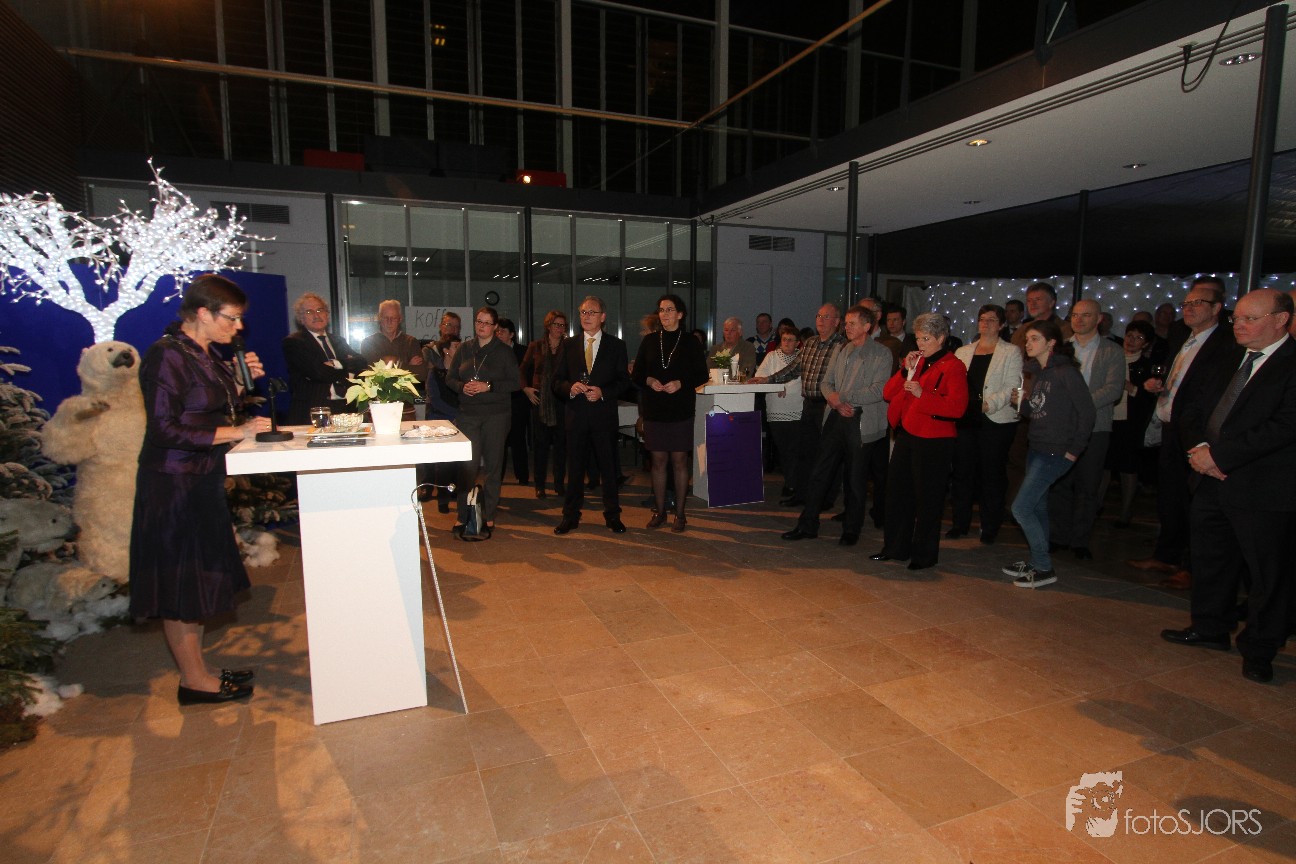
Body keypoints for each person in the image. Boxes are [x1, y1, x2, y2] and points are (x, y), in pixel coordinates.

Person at [129, 273, 273, 705]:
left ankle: (198, 671)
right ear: (203, 313)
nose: (239, 326)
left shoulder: (203, 354)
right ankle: (193, 681)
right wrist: (237, 431)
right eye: (232, 317)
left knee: (193, 584)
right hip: (173, 486)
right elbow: (165, 429)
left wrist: (240, 381)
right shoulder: (166, 355)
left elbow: (208, 408)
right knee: (180, 586)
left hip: (199, 480)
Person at [1162, 289, 1296, 684]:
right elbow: (1191, 408)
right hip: (1210, 477)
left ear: (1281, 319)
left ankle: (1260, 647)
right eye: (1238, 318)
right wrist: (1199, 451)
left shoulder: (1291, 363)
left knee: (1266, 573)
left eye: (1251, 319)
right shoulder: (1226, 357)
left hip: (1263, 485)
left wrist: (1222, 457)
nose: (1239, 325)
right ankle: (1209, 627)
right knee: (1210, 557)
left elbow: (1285, 426)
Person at [1127, 277, 1241, 589]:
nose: (1188, 309)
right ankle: (1167, 554)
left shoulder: (1225, 343)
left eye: (1197, 303)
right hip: (1169, 425)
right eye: (1186, 303)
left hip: (1196, 432)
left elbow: (1211, 391)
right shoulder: (1182, 335)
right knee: (1170, 497)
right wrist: (1156, 383)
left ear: (1216, 308)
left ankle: (1191, 566)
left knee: (1195, 502)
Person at [781, 305, 891, 546]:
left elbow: (879, 390)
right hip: (836, 415)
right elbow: (826, 382)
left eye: (852, 323)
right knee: (819, 472)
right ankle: (807, 524)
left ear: (867, 326)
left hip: (861, 420)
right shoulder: (842, 349)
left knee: (855, 478)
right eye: (846, 323)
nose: (846, 327)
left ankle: (851, 529)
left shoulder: (881, 353)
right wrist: (834, 399)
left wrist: (844, 398)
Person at [1001, 320, 1094, 588]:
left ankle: (1043, 566)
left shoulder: (1066, 372)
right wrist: (1020, 403)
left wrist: (1074, 451)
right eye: (1027, 339)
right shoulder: (1040, 373)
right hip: (1038, 447)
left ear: (1051, 342)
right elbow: (1036, 411)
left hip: (1055, 451)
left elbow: (1087, 412)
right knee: (1037, 506)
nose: (1028, 344)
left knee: (1021, 508)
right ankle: (1037, 560)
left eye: (1035, 339)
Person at [871, 313, 968, 570]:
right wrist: (905, 369)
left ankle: (924, 555)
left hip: (934, 439)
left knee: (928, 499)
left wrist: (922, 394)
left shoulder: (953, 366)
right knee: (897, 493)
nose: (921, 344)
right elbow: (888, 393)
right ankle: (895, 548)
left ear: (941, 338)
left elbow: (957, 408)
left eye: (927, 339)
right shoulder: (917, 362)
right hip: (907, 434)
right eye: (919, 339)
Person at [1047, 299, 1124, 560]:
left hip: (1096, 427)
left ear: (1099, 319)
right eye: (1075, 315)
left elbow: (1113, 389)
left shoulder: (1111, 350)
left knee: (1088, 486)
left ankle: (1080, 540)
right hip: (1063, 427)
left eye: (1086, 315)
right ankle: (1058, 536)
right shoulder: (1061, 348)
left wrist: (1078, 402)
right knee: (1059, 483)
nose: (1079, 320)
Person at [754, 304, 845, 507]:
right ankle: (802, 494)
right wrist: (768, 380)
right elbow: (793, 369)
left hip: (829, 405)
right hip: (809, 405)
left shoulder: (842, 346)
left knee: (828, 453)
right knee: (805, 453)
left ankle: (826, 498)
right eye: (818, 316)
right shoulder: (811, 343)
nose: (820, 320)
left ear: (837, 322)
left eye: (826, 317)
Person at [553, 296, 631, 535]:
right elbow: (556, 381)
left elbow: (624, 382)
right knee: (575, 470)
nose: (586, 317)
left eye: (592, 312)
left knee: (608, 470)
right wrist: (570, 388)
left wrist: (603, 392)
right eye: (583, 312)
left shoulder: (616, 345)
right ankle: (570, 516)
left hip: (603, 418)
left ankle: (613, 516)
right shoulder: (568, 345)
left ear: (603, 317)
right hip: (576, 417)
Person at [632, 293, 709, 532]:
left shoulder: (690, 341)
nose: (664, 314)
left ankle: (681, 514)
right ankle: (660, 511)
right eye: (661, 310)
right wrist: (649, 379)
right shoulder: (650, 341)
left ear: (680, 314)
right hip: (655, 408)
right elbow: (637, 374)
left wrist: (681, 383)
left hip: (680, 408)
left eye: (669, 309)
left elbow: (702, 374)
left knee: (679, 461)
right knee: (657, 461)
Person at [445, 306, 521, 538]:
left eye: (487, 323)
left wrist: (489, 386)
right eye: (479, 321)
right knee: (466, 467)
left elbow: (516, 383)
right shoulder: (465, 348)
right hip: (468, 414)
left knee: (493, 467)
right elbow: (450, 378)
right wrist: (462, 387)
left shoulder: (504, 351)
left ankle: (488, 514)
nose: (482, 326)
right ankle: (462, 515)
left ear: (495, 327)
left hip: (496, 415)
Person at [950, 304, 1023, 544]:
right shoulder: (963, 351)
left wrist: (986, 405)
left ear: (1001, 325)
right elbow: (955, 382)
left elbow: (1012, 386)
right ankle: (960, 523)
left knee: (991, 475)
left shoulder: (1010, 351)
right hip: (966, 419)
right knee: (962, 472)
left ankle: (990, 526)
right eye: (982, 319)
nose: (985, 323)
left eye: (991, 319)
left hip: (995, 420)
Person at [1101, 319, 1157, 527]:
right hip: (1108, 416)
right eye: (1130, 335)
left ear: (1146, 344)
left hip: (1131, 422)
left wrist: (1130, 387)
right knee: (1104, 464)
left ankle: (1126, 511)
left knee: (1128, 467)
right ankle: (1097, 504)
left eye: (1138, 338)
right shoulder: (1111, 357)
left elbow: (1149, 399)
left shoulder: (1147, 366)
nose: (1132, 340)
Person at [282, 292, 367, 424]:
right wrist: (348, 369)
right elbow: (318, 372)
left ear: (327, 314)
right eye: (309, 312)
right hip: (313, 412)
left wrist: (336, 364)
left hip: (345, 410)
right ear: (301, 319)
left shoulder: (338, 340)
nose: (316, 315)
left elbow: (361, 363)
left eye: (320, 310)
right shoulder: (294, 342)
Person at [520, 310, 569, 499]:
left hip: (562, 401)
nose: (560, 328)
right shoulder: (536, 346)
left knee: (561, 446)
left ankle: (559, 484)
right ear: (548, 326)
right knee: (540, 446)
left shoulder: (568, 347)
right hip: (540, 400)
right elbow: (521, 371)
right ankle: (539, 485)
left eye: (563, 325)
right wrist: (526, 389)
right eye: (557, 324)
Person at [756, 324, 804, 499]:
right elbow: (759, 378)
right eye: (784, 339)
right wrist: (777, 385)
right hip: (776, 411)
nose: (787, 343)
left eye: (791, 340)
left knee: (796, 449)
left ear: (798, 343)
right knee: (783, 450)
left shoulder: (803, 357)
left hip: (798, 409)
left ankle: (794, 484)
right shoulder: (772, 356)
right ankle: (791, 482)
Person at [361, 299, 425, 419]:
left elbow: (421, 374)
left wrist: (392, 362)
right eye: (386, 318)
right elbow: (373, 375)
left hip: (405, 408)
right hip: (377, 407)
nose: (389, 321)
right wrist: (407, 365)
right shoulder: (368, 343)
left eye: (393, 318)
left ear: (400, 319)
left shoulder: (411, 342)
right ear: (379, 318)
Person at [494, 317, 530, 486]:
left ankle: (522, 476)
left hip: (518, 400)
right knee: (499, 442)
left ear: (512, 334)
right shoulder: (493, 351)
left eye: (502, 331)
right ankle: (498, 477)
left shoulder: (523, 351)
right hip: (499, 401)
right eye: (497, 331)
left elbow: (526, 374)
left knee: (518, 439)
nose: (498, 334)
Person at [1011, 282, 1073, 351]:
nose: (1032, 304)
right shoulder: (1021, 331)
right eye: (1029, 300)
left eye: (1038, 299)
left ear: (1051, 303)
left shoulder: (1065, 330)